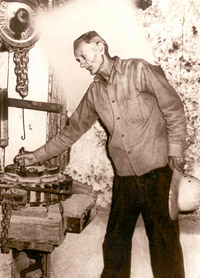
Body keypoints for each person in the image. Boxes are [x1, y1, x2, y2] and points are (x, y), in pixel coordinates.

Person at [15, 31, 186, 278]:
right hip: (125, 181)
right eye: (78, 61)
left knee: (165, 249)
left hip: (158, 176)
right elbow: (71, 132)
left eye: (83, 57)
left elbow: (174, 108)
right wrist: (35, 157)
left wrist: (176, 152)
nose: (82, 64)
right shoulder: (95, 93)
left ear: (100, 46)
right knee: (114, 247)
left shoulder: (139, 70)